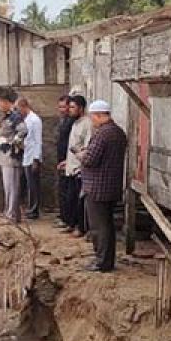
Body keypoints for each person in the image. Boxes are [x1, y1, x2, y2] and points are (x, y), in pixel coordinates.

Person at [80, 99, 126, 272]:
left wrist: (81, 155)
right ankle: (107, 260)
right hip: (111, 186)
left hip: (97, 187)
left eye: (93, 117)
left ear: (99, 115)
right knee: (107, 225)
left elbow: (90, 160)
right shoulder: (119, 133)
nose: (92, 120)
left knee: (99, 227)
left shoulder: (102, 134)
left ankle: (102, 262)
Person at [0, 88, 27, 224]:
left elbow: (23, 130)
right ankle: (11, 213)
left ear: (6, 102)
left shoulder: (14, 116)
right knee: (9, 186)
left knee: (11, 186)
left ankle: (11, 215)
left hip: (10, 156)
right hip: (5, 156)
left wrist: (12, 143)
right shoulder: (7, 116)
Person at [62, 95, 92, 237]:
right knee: (71, 199)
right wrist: (67, 162)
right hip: (71, 168)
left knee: (80, 201)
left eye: (73, 107)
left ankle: (81, 228)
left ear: (81, 108)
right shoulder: (75, 123)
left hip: (80, 169)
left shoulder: (87, 124)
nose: (70, 110)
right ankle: (71, 223)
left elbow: (86, 148)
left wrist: (79, 163)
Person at [17, 96, 43, 220]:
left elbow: (38, 140)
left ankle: (34, 209)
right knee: (28, 184)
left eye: (18, 109)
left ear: (24, 106)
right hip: (26, 155)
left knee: (33, 185)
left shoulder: (35, 120)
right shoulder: (26, 119)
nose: (18, 112)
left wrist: (36, 159)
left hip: (32, 156)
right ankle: (30, 208)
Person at [53, 95, 74, 228]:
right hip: (61, 159)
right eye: (59, 107)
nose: (61, 109)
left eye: (64, 107)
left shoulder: (72, 122)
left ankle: (68, 220)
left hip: (69, 160)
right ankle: (63, 216)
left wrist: (68, 160)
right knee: (62, 189)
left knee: (67, 191)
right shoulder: (64, 120)